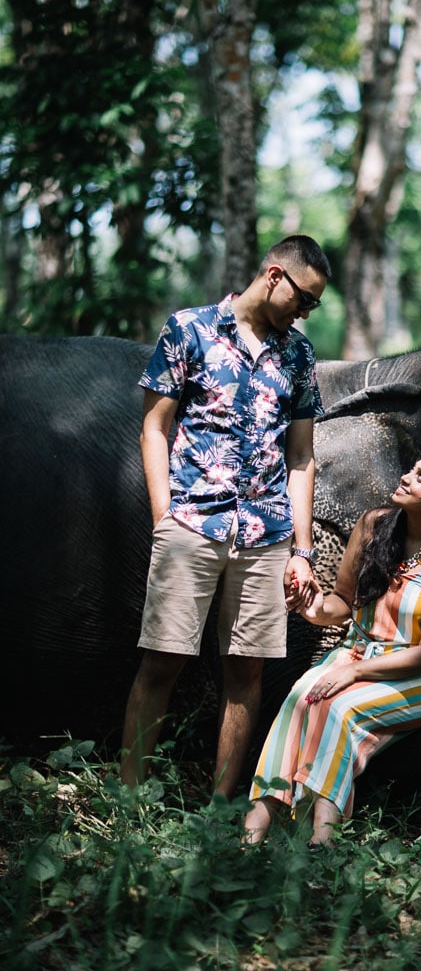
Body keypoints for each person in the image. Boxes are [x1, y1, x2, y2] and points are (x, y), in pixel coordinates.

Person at [121, 234, 332, 798]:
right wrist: (166, 514)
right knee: (161, 663)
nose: (307, 311)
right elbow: (154, 428)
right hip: (192, 526)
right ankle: (127, 801)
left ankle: (218, 812)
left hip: (265, 535)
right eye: (304, 298)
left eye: (315, 304)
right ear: (273, 276)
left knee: (247, 672)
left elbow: (302, 456)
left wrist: (303, 551)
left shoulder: (299, 355)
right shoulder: (188, 329)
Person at [243, 454, 421, 847]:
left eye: (420, 477)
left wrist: (353, 674)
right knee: (300, 697)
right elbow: (342, 601)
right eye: (411, 469)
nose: (406, 477)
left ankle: (321, 834)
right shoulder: (374, 526)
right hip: (356, 651)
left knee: (340, 709)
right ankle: (260, 818)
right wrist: (313, 608)